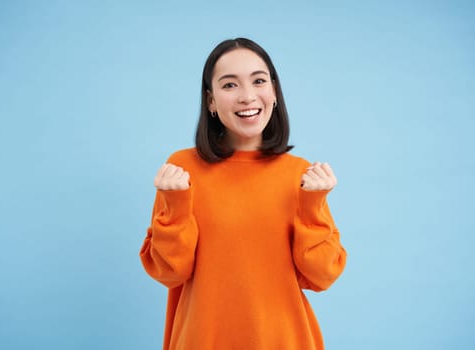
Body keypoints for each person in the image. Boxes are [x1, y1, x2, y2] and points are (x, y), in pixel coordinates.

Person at [139, 37, 347, 350]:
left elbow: (321, 276)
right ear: (210, 100)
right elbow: (170, 272)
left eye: (259, 81)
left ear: (274, 93)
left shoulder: (301, 175)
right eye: (229, 85)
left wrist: (312, 205)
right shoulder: (181, 169)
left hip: (285, 340)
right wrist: (177, 206)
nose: (247, 96)